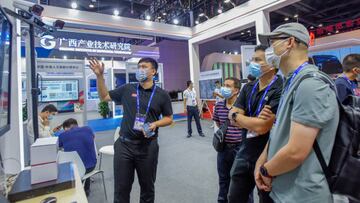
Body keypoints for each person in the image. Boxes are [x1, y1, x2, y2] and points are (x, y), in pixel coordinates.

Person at [254, 23, 339, 202]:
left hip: (302, 194)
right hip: (283, 189)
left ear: (289, 42)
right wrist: (263, 158)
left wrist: (265, 171)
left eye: (272, 42)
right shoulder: (291, 81)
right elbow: (279, 129)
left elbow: (296, 151)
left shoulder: (310, 85)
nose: (269, 49)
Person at [89, 57, 173, 203]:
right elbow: (104, 97)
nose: (140, 69)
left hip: (148, 147)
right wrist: (99, 76)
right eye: (139, 66)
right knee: (121, 189)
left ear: (153, 71)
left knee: (147, 188)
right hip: (124, 146)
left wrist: (155, 124)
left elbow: (169, 118)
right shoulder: (128, 89)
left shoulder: (162, 94)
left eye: (144, 66)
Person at [227, 45, 283, 203]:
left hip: (268, 156)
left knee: (266, 198)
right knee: (234, 198)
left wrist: (239, 117)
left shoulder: (281, 88)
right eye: (252, 59)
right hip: (244, 152)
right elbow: (231, 116)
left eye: (257, 60)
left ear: (272, 64)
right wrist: (239, 115)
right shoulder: (248, 87)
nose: (252, 63)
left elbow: (262, 127)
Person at [213, 77, 242, 203]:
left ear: (236, 90)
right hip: (223, 149)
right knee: (223, 180)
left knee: (241, 181)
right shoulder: (219, 106)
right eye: (224, 85)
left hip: (239, 149)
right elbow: (219, 124)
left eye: (228, 86)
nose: (224, 88)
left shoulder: (242, 107)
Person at [58, 118, 97, 196]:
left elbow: (59, 145)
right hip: (92, 166)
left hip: (75, 170)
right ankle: (86, 190)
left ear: (66, 127)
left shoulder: (62, 135)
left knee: (78, 163)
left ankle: (78, 191)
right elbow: (93, 138)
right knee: (84, 161)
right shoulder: (88, 129)